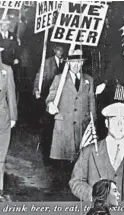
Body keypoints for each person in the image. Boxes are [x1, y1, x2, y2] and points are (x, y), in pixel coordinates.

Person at [69, 102, 124, 201]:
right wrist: (93, 195)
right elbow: (76, 182)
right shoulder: (89, 151)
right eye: (114, 119)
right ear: (106, 123)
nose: (119, 124)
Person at [46, 49, 96, 189]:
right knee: (64, 158)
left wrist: (93, 122)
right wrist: (50, 105)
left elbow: (91, 101)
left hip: (82, 124)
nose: (75, 65)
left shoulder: (88, 80)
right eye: (73, 62)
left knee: (80, 157)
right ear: (68, 63)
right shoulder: (59, 79)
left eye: (78, 62)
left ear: (82, 63)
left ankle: (76, 186)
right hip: (64, 124)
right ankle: (61, 190)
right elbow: (51, 97)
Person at [33, 44, 65, 163]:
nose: (60, 52)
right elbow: (39, 77)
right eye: (58, 49)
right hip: (48, 97)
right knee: (48, 126)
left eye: (62, 49)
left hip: (62, 99)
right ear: (54, 50)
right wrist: (37, 89)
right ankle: (47, 155)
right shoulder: (47, 63)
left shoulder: (67, 63)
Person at [0, 45, 17, 202]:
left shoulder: (7, 70)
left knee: (0, 157)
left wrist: (13, 117)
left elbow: (11, 94)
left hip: (2, 119)